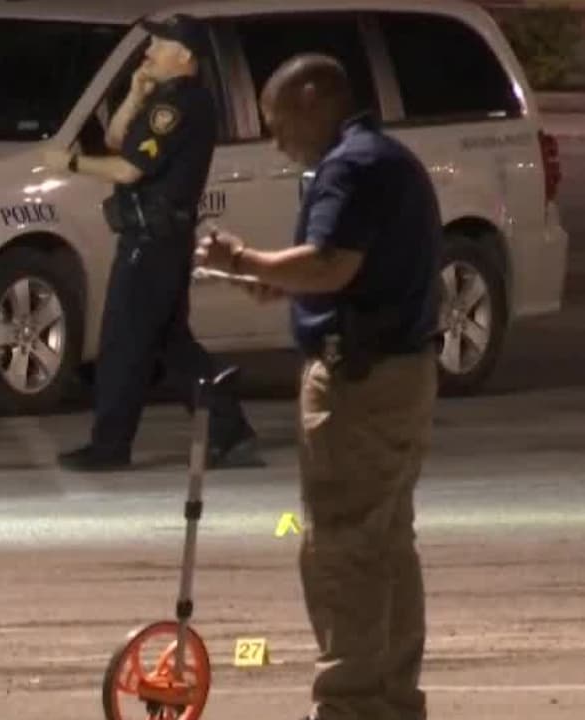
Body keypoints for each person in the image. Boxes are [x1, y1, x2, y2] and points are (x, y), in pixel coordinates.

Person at [196, 53, 442, 720]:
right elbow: (358, 270)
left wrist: (243, 259)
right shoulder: (385, 158)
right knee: (387, 543)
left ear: (312, 98)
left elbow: (331, 264)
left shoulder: (350, 165)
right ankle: (392, 700)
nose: (276, 140)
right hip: (402, 371)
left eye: (277, 122)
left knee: (343, 547)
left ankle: (350, 703)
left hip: (361, 381)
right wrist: (278, 281)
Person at [42, 13, 260, 473]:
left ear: (183, 55)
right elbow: (118, 140)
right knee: (170, 343)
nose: (148, 53)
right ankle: (229, 429)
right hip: (158, 240)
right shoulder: (164, 99)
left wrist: (71, 164)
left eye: (158, 45)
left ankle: (110, 446)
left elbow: (128, 170)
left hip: (153, 242)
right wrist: (134, 95)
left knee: (123, 343)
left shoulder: (178, 106)